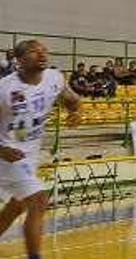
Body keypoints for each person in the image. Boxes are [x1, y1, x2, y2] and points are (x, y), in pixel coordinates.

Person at [0, 40, 83, 259]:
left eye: (43, 50)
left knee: (17, 206)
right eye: (33, 51)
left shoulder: (54, 78)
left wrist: (76, 112)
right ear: (19, 60)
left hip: (29, 155)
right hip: (7, 154)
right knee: (38, 200)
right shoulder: (5, 89)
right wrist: (1, 150)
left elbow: (73, 100)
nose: (41, 54)